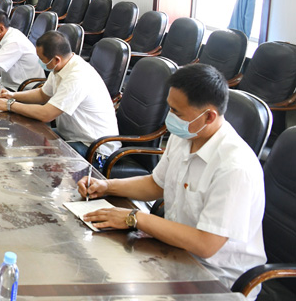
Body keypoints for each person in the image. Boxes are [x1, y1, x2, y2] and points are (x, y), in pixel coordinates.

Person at [78, 64, 265, 297]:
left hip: (215, 279)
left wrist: (134, 217)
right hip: (174, 252)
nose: (170, 118)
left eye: (177, 112)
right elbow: (156, 184)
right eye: (170, 108)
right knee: (93, 268)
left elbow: (206, 244)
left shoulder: (235, 168)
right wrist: (108, 186)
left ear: (209, 116)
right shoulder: (186, 135)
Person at [0, 31, 119, 157]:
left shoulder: (77, 76)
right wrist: (12, 95)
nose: (40, 62)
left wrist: (10, 105)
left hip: (93, 147)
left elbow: (46, 114)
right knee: (25, 133)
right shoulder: (61, 66)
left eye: (42, 59)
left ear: (56, 59)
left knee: (41, 160)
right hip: (71, 135)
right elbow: (42, 94)